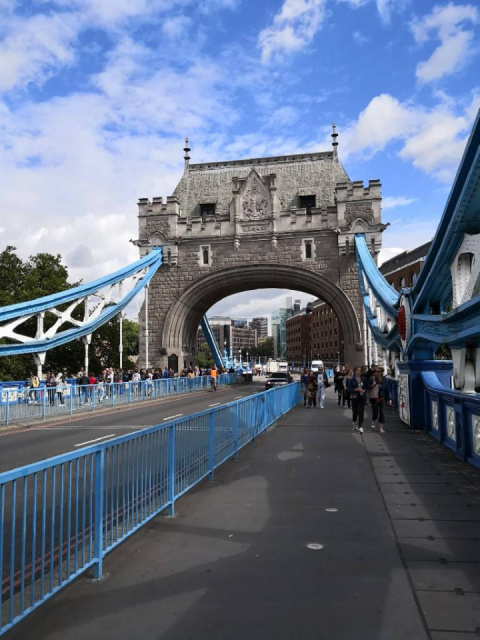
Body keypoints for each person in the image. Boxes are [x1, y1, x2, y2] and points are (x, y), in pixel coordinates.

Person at [369, 368, 392, 433]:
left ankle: (381, 428)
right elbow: (367, 387)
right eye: (375, 371)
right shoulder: (372, 379)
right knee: (375, 412)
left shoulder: (384, 380)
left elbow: (388, 389)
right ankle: (373, 422)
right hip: (374, 398)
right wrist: (372, 385)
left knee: (381, 413)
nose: (376, 372)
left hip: (381, 398)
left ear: (381, 372)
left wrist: (389, 399)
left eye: (378, 371)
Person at [348, 366, 367, 433]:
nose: (359, 371)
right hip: (354, 397)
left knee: (361, 412)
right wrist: (355, 389)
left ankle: (360, 426)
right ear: (355, 371)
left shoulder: (363, 379)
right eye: (358, 370)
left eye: (360, 370)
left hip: (361, 397)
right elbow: (349, 389)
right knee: (355, 411)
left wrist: (364, 390)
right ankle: (354, 422)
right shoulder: (351, 380)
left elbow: (366, 387)